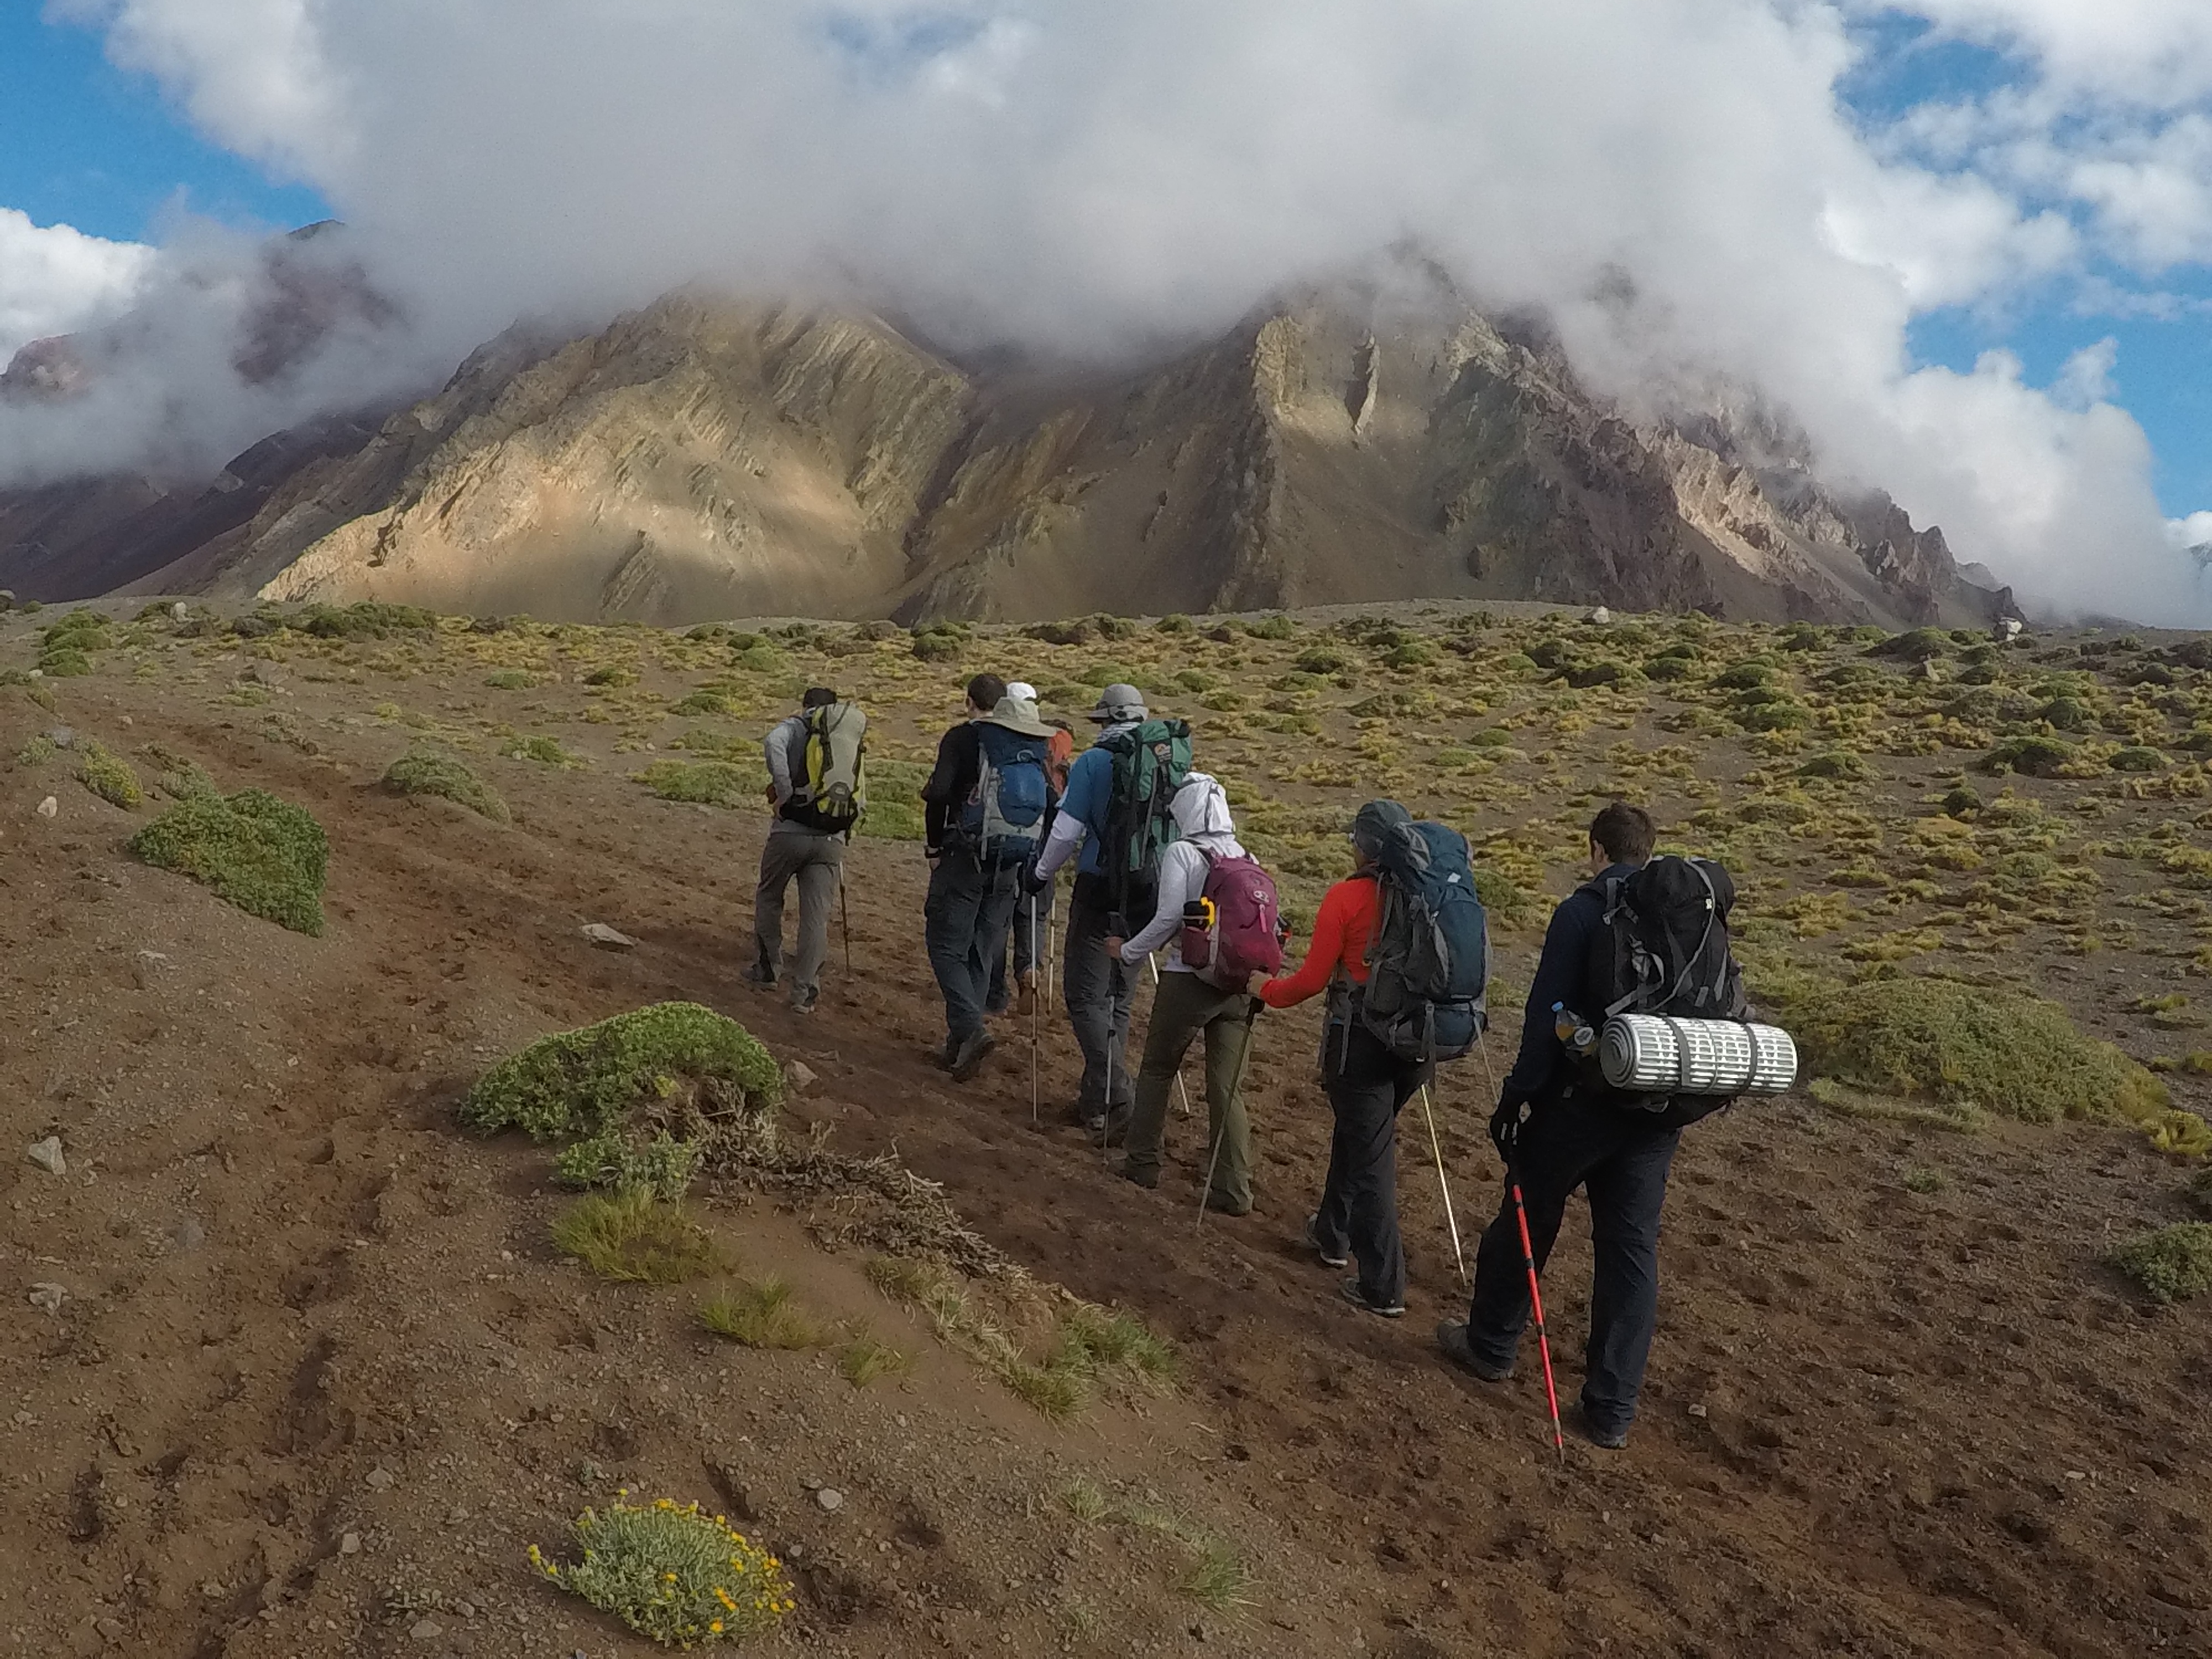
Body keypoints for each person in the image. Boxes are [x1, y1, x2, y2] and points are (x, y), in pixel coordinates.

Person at [1437, 800, 1674, 1449]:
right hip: (1658, 1109)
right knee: (1630, 1251)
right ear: (1647, 851)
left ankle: (1489, 1345)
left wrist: (1517, 1097)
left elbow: (1549, 1015)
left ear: (1596, 849)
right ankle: (1611, 1410)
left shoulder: (1580, 912)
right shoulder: (1677, 915)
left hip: (1580, 1103)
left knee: (1528, 1214)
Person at [1255, 799, 1430, 1318]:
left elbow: (1310, 981)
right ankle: (1332, 1232)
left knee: (1371, 1155)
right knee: (1360, 1135)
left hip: (1361, 1043)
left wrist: (1265, 989)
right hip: (1419, 1043)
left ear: (1366, 847)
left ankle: (1383, 1285)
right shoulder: (1427, 895)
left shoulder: (1346, 897)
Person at [1113, 773, 1259, 1214]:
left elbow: (1169, 918)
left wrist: (1129, 952)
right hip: (1239, 983)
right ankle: (1234, 1187)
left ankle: (1142, 1162)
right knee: (1227, 1088)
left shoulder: (1183, 851)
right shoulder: (1245, 855)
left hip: (1189, 976)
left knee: (1158, 1068)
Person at [1026, 683, 1153, 1135]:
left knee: (1084, 997)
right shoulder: (1164, 760)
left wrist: (1040, 874)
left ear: (1106, 721)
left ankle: (1118, 1094)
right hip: (1150, 892)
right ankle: (1096, 1100)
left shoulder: (1094, 762)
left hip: (1099, 886)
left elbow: (1066, 832)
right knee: (1118, 997)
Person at [920, 674, 1055, 1081]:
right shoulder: (1032, 748)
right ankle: (959, 1044)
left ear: (969, 702)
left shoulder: (962, 739)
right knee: (981, 950)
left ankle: (971, 1030)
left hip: (964, 856)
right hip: (1010, 864)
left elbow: (938, 793)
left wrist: (934, 847)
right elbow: (1052, 806)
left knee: (945, 946)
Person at [748, 686, 848, 1015]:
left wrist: (785, 794)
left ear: (805, 705)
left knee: (769, 896)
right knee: (815, 916)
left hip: (789, 833)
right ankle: (805, 992)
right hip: (831, 838)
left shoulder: (793, 728)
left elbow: (772, 743)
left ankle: (768, 970)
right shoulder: (843, 736)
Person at [987, 683, 1074, 1020]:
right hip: (1043, 854)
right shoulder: (1056, 750)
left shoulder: (1009, 750)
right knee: (1033, 918)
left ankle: (995, 993)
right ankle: (1029, 970)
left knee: (998, 921)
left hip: (1007, 849)